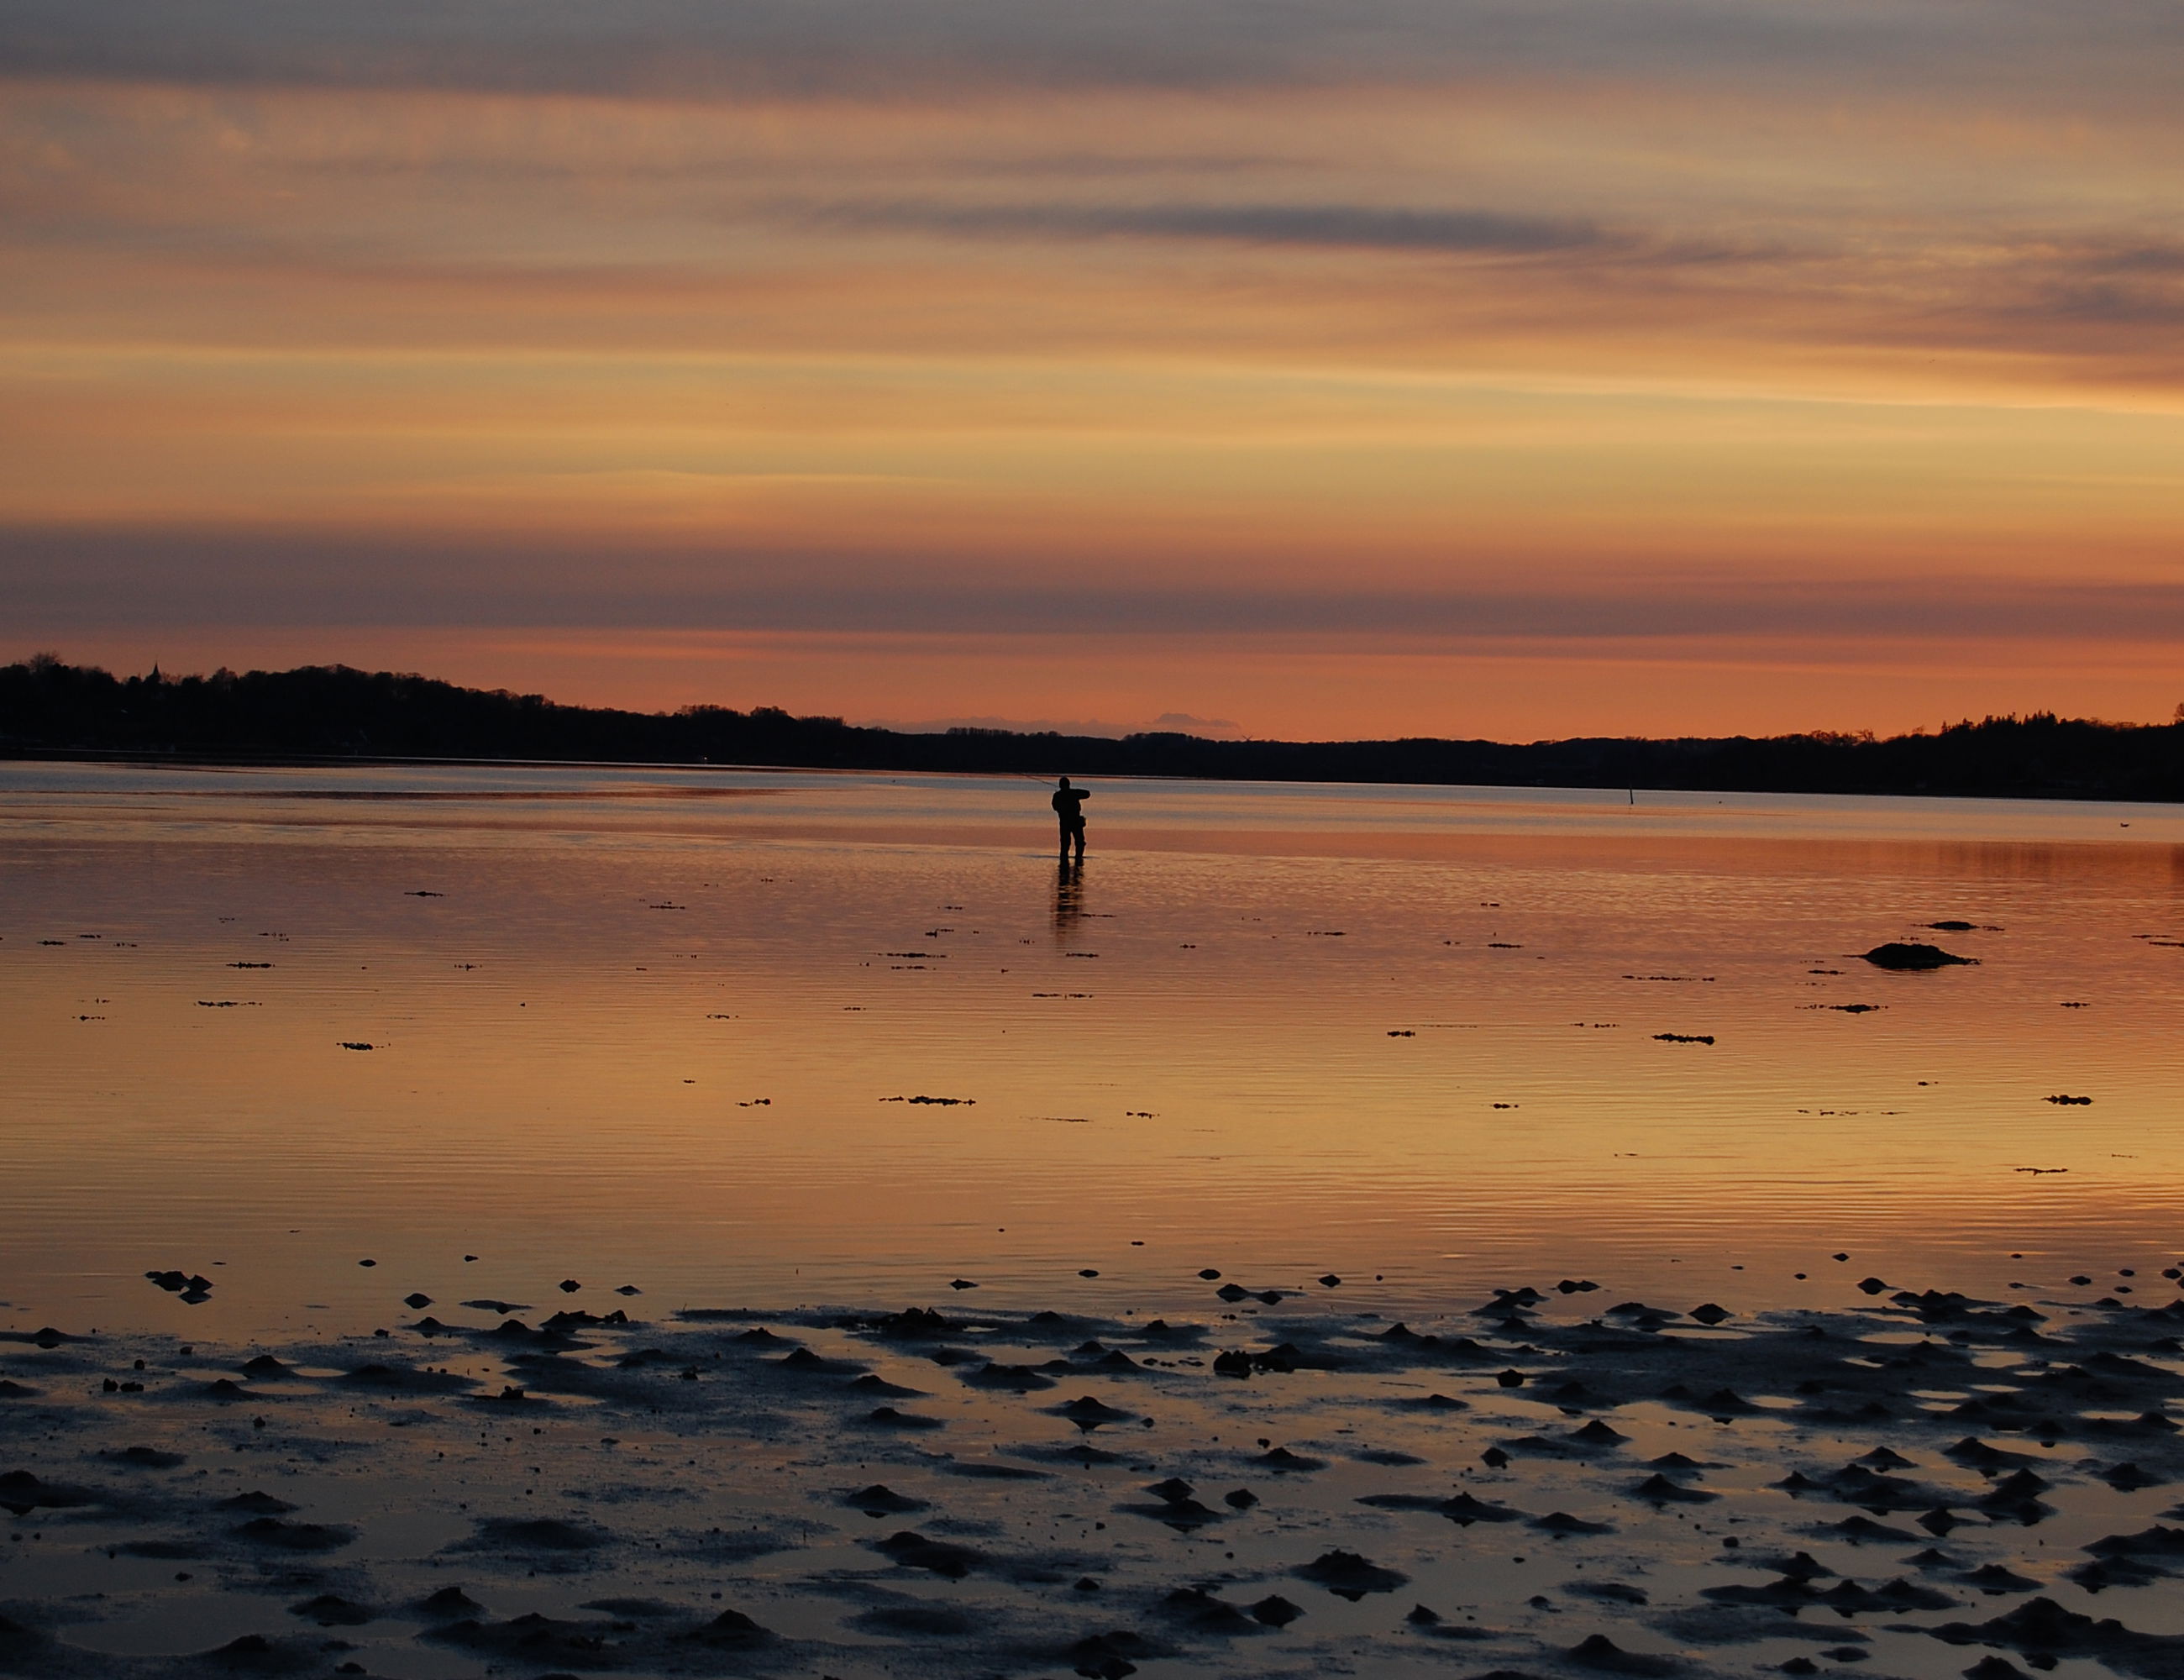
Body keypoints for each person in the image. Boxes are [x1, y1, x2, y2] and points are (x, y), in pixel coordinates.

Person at [1051, 775, 1089, 860]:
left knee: (1078, 842)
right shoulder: (1060, 795)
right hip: (1068, 823)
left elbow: (1087, 794)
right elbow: (1055, 807)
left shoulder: (1070, 794)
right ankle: (1070, 859)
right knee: (1066, 843)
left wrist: (1072, 792)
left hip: (1072, 822)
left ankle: (1078, 858)